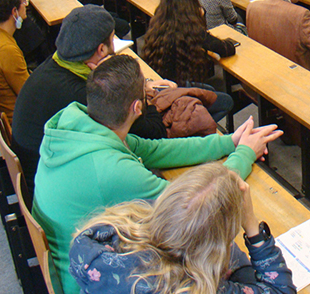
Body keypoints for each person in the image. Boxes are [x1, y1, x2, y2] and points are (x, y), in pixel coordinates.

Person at [33, 53, 282, 294]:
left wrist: (229, 142)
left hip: (83, 264)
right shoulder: (113, 170)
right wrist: (246, 153)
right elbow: (199, 202)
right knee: (229, 254)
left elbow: (155, 149)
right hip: (91, 284)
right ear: (138, 107)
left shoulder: (78, 124)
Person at [12, 5, 171, 193]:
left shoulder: (53, 64)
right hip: (60, 187)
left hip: (41, 175)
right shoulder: (85, 94)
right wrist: (142, 92)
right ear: (102, 49)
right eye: (113, 39)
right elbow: (152, 132)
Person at [69, 162, 295, 294]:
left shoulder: (105, 238)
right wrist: (252, 226)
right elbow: (282, 290)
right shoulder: (195, 288)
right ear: (213, 248)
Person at [142, 0, 236, 121]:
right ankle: (197, 125)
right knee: (226, 101)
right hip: (177, 91)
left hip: (163, 84)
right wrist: (201, 17)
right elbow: (226, 49)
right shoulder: (190, 28)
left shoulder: (157, 20)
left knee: (210, 90)